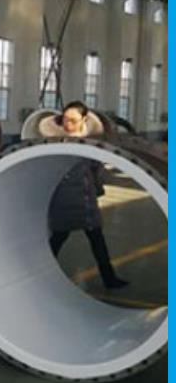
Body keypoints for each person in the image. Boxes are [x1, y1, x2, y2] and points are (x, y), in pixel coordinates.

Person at [48, 100, 129, 289]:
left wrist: (97, 188)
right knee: (59, 238)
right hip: (64, 199)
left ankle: (109, 278)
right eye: (65, 119)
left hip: (84, 198)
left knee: (96, 239)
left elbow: (97, 169)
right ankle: (39, 273)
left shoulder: (90, 144)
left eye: (73, 120)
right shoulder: (55, 142)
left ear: (84, 119)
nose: (68, 124)